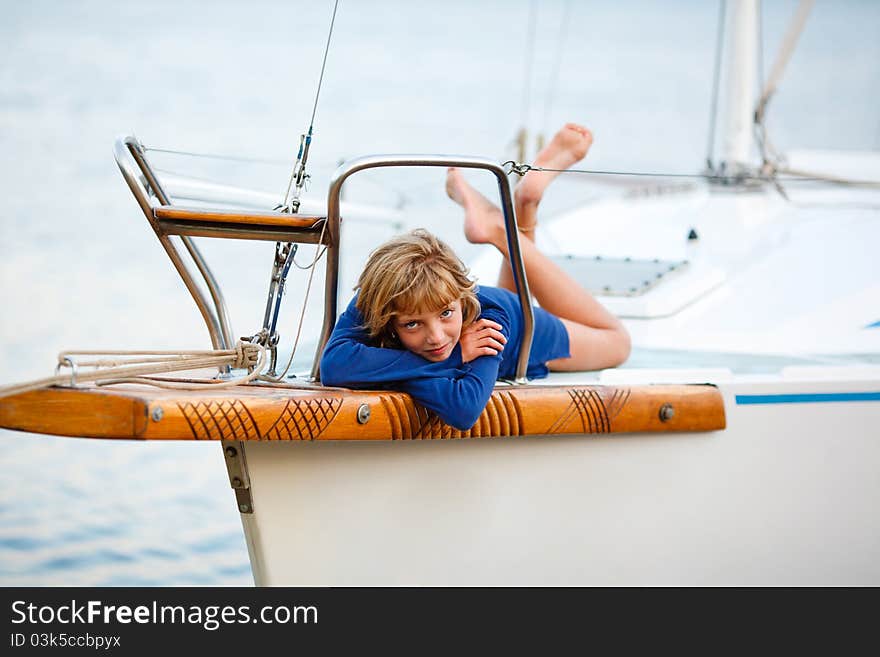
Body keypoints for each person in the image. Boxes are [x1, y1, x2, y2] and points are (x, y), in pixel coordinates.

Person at [320, 123, 630, 430]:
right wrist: (456, 355)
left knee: (618, 342)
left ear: (461, 297)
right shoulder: (382, 296)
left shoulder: (488, 322)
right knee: (507, 290)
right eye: (412, 323)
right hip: (494, 303)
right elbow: (333, 366)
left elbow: (464, 409)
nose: (437, 337)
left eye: (445, 313)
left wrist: (401, 368)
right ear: (387, 317)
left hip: (521, 328)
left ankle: (500, 229)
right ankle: (525, 203)